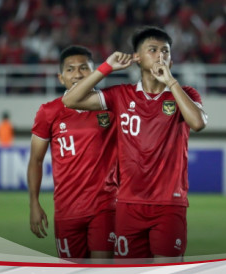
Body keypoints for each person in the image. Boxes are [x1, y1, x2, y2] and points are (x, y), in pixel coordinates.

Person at [62, 26, 207, 263]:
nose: (161, 55)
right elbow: (70, 100)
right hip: (129, 205)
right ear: (137, 58)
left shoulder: (185, 93)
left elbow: (198, 123)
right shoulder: (120, 95)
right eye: (153, 50)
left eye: (166, 51)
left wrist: (171, 83)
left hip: (169, 204)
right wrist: (106, 67)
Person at [27, 45, 118, 260]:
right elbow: (36, 160)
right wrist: (34, 202)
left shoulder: (113, 105)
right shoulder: (49, 111)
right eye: (70, 69)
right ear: (61, 78)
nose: (77, 74)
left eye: (84, 68)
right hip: (67, 210)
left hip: (105, 206)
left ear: (95, 71)